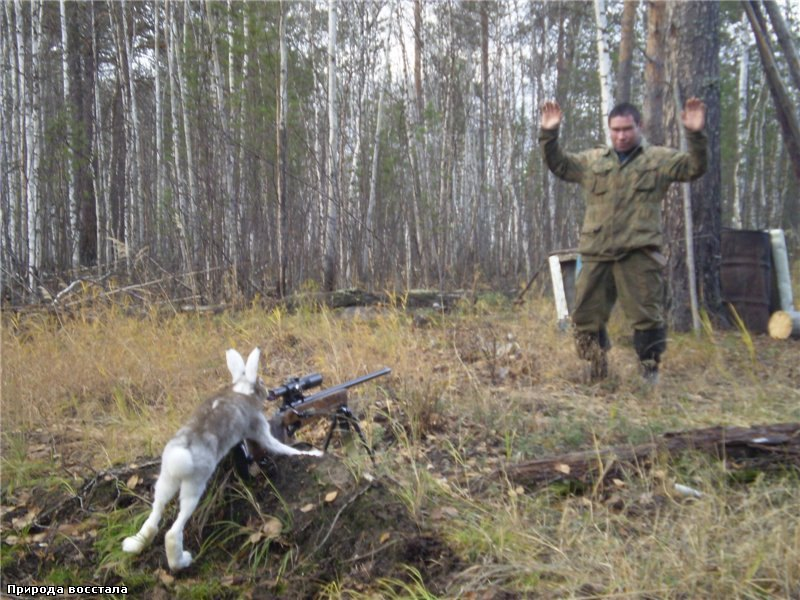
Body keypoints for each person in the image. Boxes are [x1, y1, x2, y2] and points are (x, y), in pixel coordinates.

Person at [539, 98, 708, 383]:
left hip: (638, 253)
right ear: (609, 129)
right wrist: (549, 134)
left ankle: (649, 373)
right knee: (584, 319)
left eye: (627, 129)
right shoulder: (593, 161)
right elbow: (559, 165)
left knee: (647, 319)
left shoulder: (657, 160)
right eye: (615, 130)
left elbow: (694, 167)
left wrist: (694, 134)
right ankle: (597, 368)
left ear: (639, 126)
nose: (621, 135)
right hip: (597, 252)